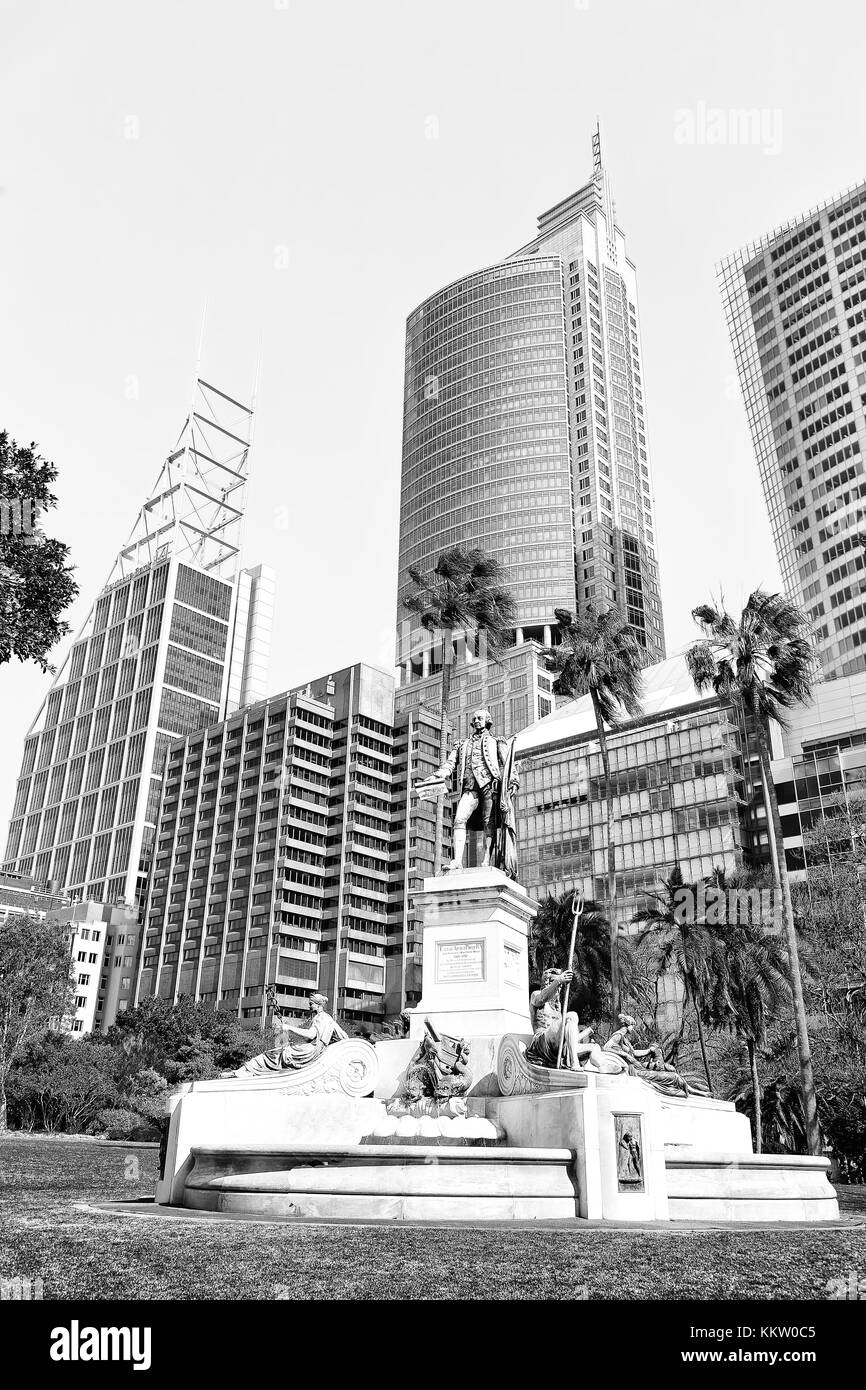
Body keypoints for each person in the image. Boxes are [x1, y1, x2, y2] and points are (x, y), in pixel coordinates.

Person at [416, 708, 518, 873]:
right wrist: (437, 775)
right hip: (470, 787)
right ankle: (457, 861)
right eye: (475, 718)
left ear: (487, 721)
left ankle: (486, 860)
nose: (477, 721)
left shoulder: (496, 742)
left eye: (480, 718)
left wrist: (513, 781)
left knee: (488, 823)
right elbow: (450, 764)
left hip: (489, 786)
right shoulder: (463, 744)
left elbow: (508, 764)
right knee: (459, 819)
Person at [223, 992, 348, 1078]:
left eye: (311, 1004)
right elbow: (344, 1036)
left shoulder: (321, 1017)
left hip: (309, 1052)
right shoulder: (328, 1018)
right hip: (313, 1050)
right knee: (278, 1052)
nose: (309, 1006)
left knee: (273, 1054)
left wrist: (289, 1028)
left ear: (318, 1005)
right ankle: (245, 1071)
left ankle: (244, 1071)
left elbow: (311, 1035)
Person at [525, 967, 606, 1071]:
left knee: (594, 1047)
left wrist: (585, 1033)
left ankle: (603, 1067)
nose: (559, 988)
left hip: (558, 1047)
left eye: (560, 986)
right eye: (556, 984)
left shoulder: (557, 1006)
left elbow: (568, 1037)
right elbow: (542, 998)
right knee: (571, 1015)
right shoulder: (536, 995)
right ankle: (574, 1063)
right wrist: (558, 981)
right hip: (542, 1044)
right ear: (547, 983)